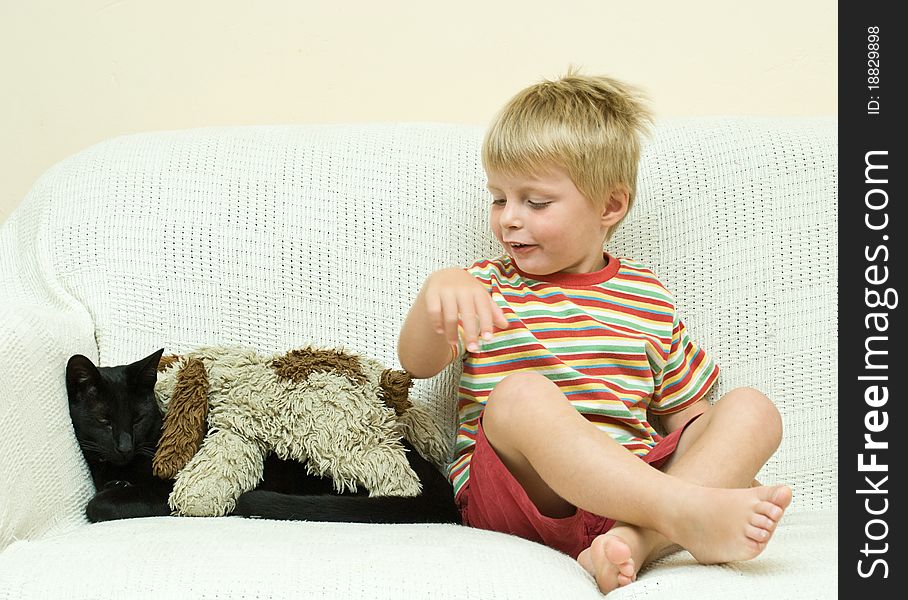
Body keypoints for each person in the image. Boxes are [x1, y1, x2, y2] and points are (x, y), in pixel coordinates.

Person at [396, 70, 792, 595]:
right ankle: (684, 511)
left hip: (628, 492)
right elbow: (417, 363)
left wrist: (722, 464)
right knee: (518, 396)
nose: (510, 219)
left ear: (610, 206)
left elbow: (687, 418)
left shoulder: (647, 296)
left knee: (752, 409)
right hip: (522, 493)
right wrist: (435, 292)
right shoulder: (478, 287)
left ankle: (634, 543)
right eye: (499, 198)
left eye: (535, 202)